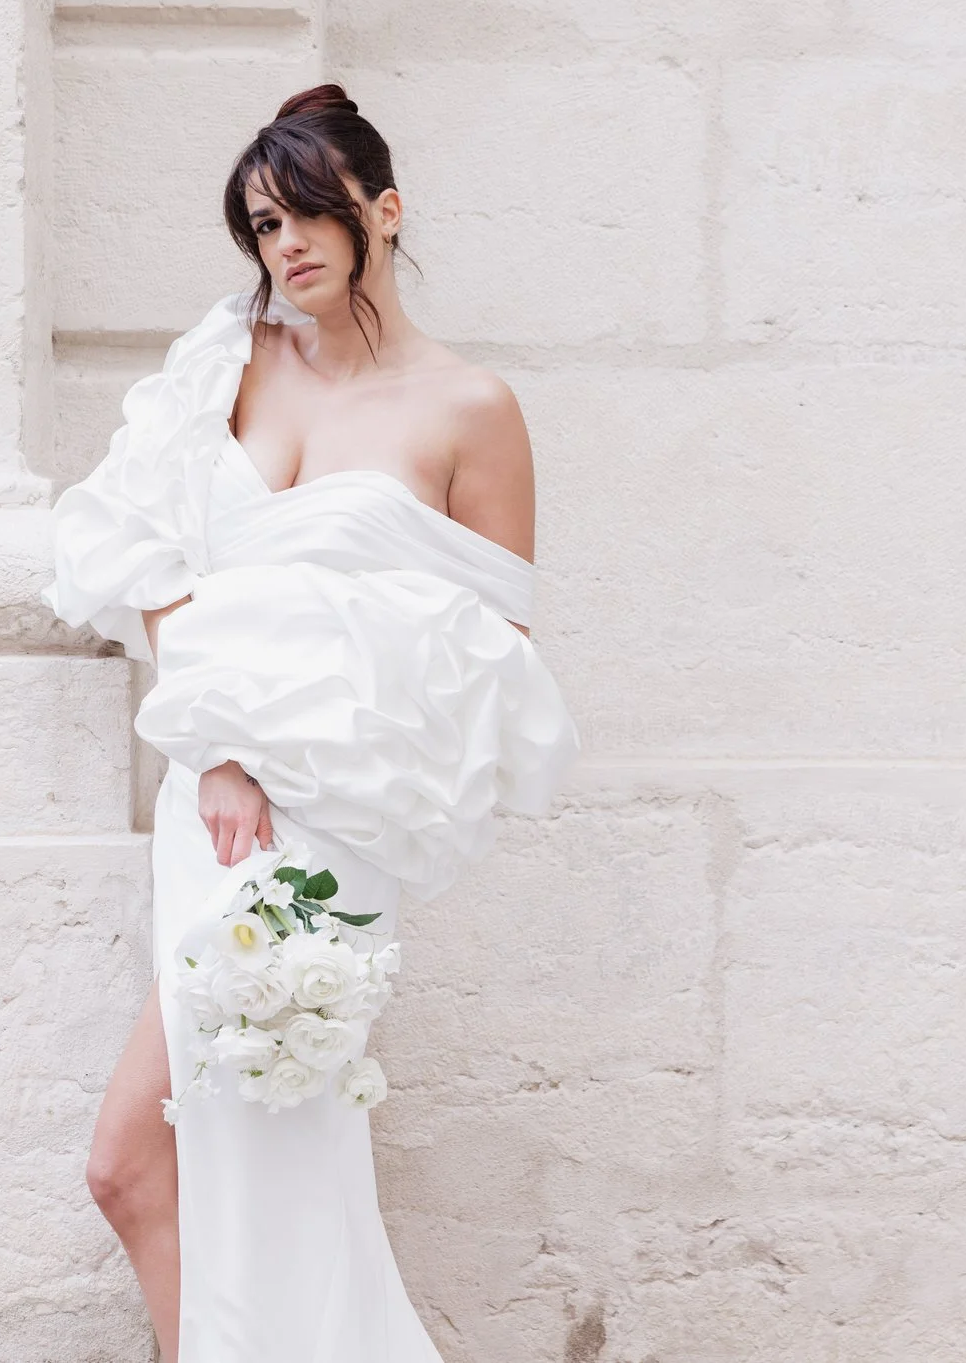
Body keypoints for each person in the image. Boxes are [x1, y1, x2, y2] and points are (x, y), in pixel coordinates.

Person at [42, 84, 580, 1362]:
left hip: (331, 826)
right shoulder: (228, 361)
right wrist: (217, 745)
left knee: (229, 1170)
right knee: (139, 1172)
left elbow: (494, 646)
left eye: (308, 214)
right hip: (211, 796)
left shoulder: (470, 409)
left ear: (382, 211)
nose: (285, 246)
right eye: (262, 221)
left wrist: (325, 711)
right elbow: (139, 552)